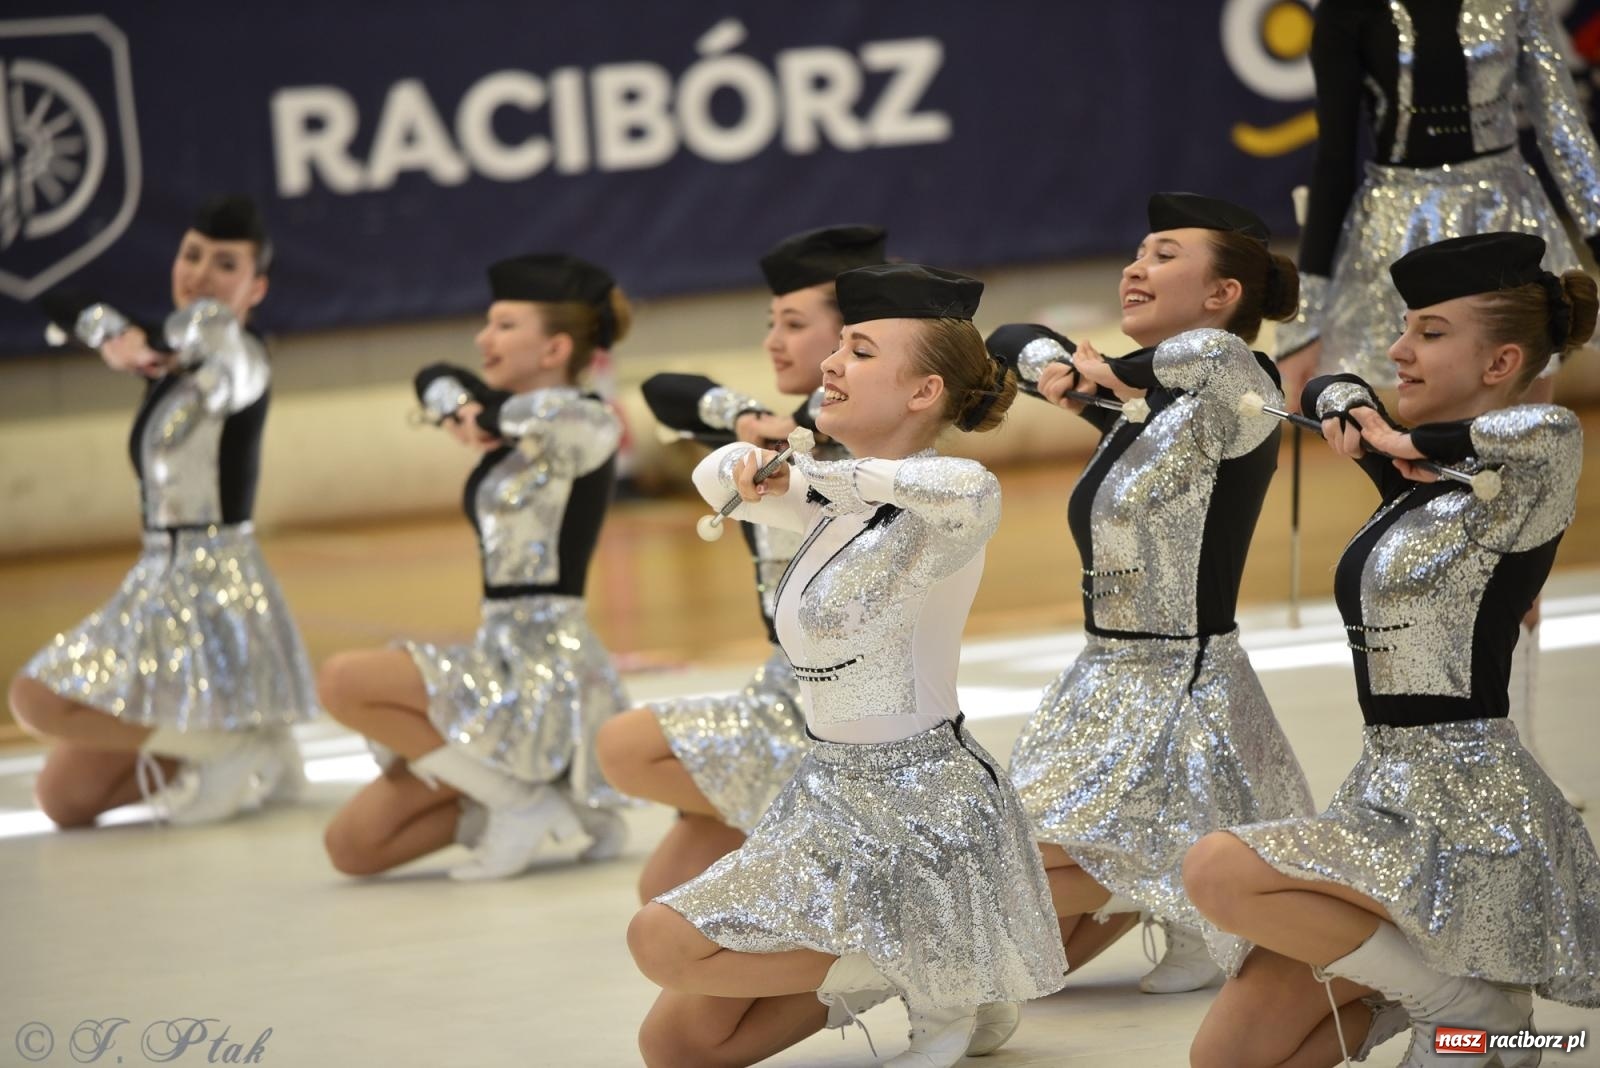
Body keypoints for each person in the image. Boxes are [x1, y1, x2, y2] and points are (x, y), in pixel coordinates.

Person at [626, 264, 1065, 1068]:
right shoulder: (824, 499)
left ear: (923, 392)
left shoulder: (950, 500)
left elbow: (959, 485)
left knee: (659, 935)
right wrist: (746, 467)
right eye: (838, 346)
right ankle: (930, 964)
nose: (830, 362)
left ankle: (941, 974)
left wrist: (803, 470)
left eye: (859, 350)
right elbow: (708, 471)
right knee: (679, 1045)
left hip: (924, 811)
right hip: (825, 799)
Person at [1186, 232, 1600, 1068]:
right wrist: (1350, 405)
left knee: (1218, 870)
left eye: (1431, 333)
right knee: (1227, 1061)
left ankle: (1463, 1007)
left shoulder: (1528, 469)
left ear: (1502, 361)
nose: (1401, 350)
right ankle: (1458, 1019)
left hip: (1470, 811)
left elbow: (1538, 430)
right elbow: (1332, 380)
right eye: (1405, 327)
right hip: (1382, 798)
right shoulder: (1414, 477)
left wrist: (1398, 438)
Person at [994, 193, 1315, 994]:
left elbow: (1204, 360)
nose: (1137, 266)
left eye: (1166, 254)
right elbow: (1004, 338)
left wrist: (1106, 373)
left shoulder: (1241, 388)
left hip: (1184, 696)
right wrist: (1059, 369)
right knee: (1020, 944)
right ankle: (1170, 885)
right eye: (1137, 251)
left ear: (1223, 295)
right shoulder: (1139, 412)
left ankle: (1191, 889)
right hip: (1102, 684)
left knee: (1004, 885)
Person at [319, 253, 631, 881]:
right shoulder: (507, 422)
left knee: (344, 681)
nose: (483, 339)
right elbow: (434, 376)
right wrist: (465, 408)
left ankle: (522, 800)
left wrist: (481, 414)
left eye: (504, 325)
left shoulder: (586, 420)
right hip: (498, 655)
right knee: (354, 847)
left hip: (549, 668)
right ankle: (535, 802)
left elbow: (555, 417)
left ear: (554, 349)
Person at [596, 225, 882, 900]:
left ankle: (835, 834)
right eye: (770, 323)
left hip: (852, 710)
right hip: (781, 690)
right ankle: (803, 832)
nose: (772, 341)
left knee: (627, 746)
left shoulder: (876, 442)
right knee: (663, 893)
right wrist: (743, 414)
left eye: (792, 323)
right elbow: (666, 388)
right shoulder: (774, 433)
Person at [11, 196, 313, 827]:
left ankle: (226, 745)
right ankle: (237, 745)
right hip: (159, 580)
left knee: (36, 698)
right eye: (191, 255)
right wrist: (111, 336)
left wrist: (160, 337)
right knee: (65, 801)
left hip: (211, 592)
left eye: (224, 265)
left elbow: (221, 357)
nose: (199, 273)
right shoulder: (167, 360)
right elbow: (58, 299)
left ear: (254, 288)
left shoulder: (241, 356)